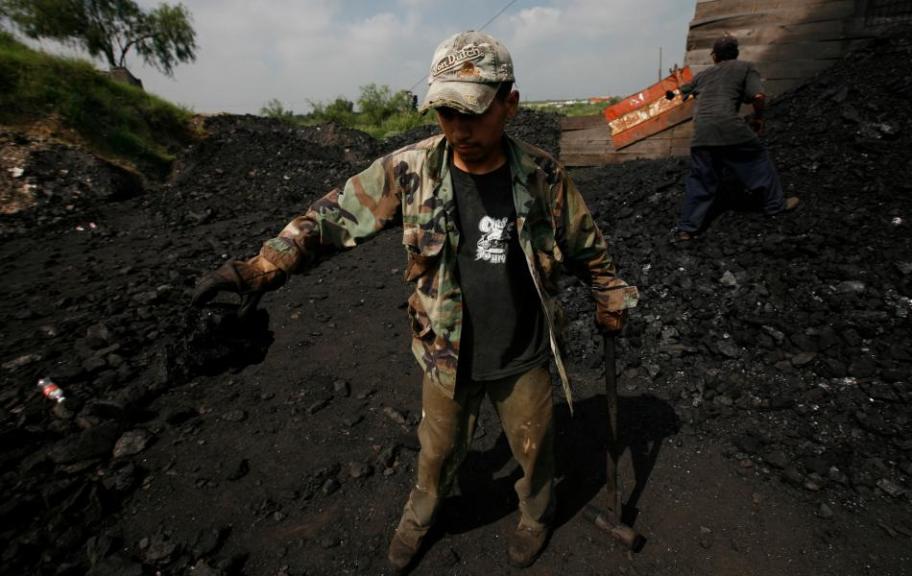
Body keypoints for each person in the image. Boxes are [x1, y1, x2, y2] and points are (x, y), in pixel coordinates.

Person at [192, 30, 638, 572]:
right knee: (437, 452)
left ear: (510, 104)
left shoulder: (542, 177)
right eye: (445, 112)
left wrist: (608, 293)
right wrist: (265, 265)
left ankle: (534, 517)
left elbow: (586, 244)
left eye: (472, 112)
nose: (458, 129)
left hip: (523, 352)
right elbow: (333, 217)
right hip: (445, 353)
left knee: (534, 447)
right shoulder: (411, 170)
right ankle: (419, 519)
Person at [665, 34, 799, 241]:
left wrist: (677, 84)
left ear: (714, 56)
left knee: (701, 179)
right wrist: (759, 118)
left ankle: (687, 228)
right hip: (730, 128)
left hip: (701, 134)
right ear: (735, 53)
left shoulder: (703, 75)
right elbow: (758, 97)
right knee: (757, 159)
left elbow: (676, 93)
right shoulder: (745, 67)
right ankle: (775, 205)